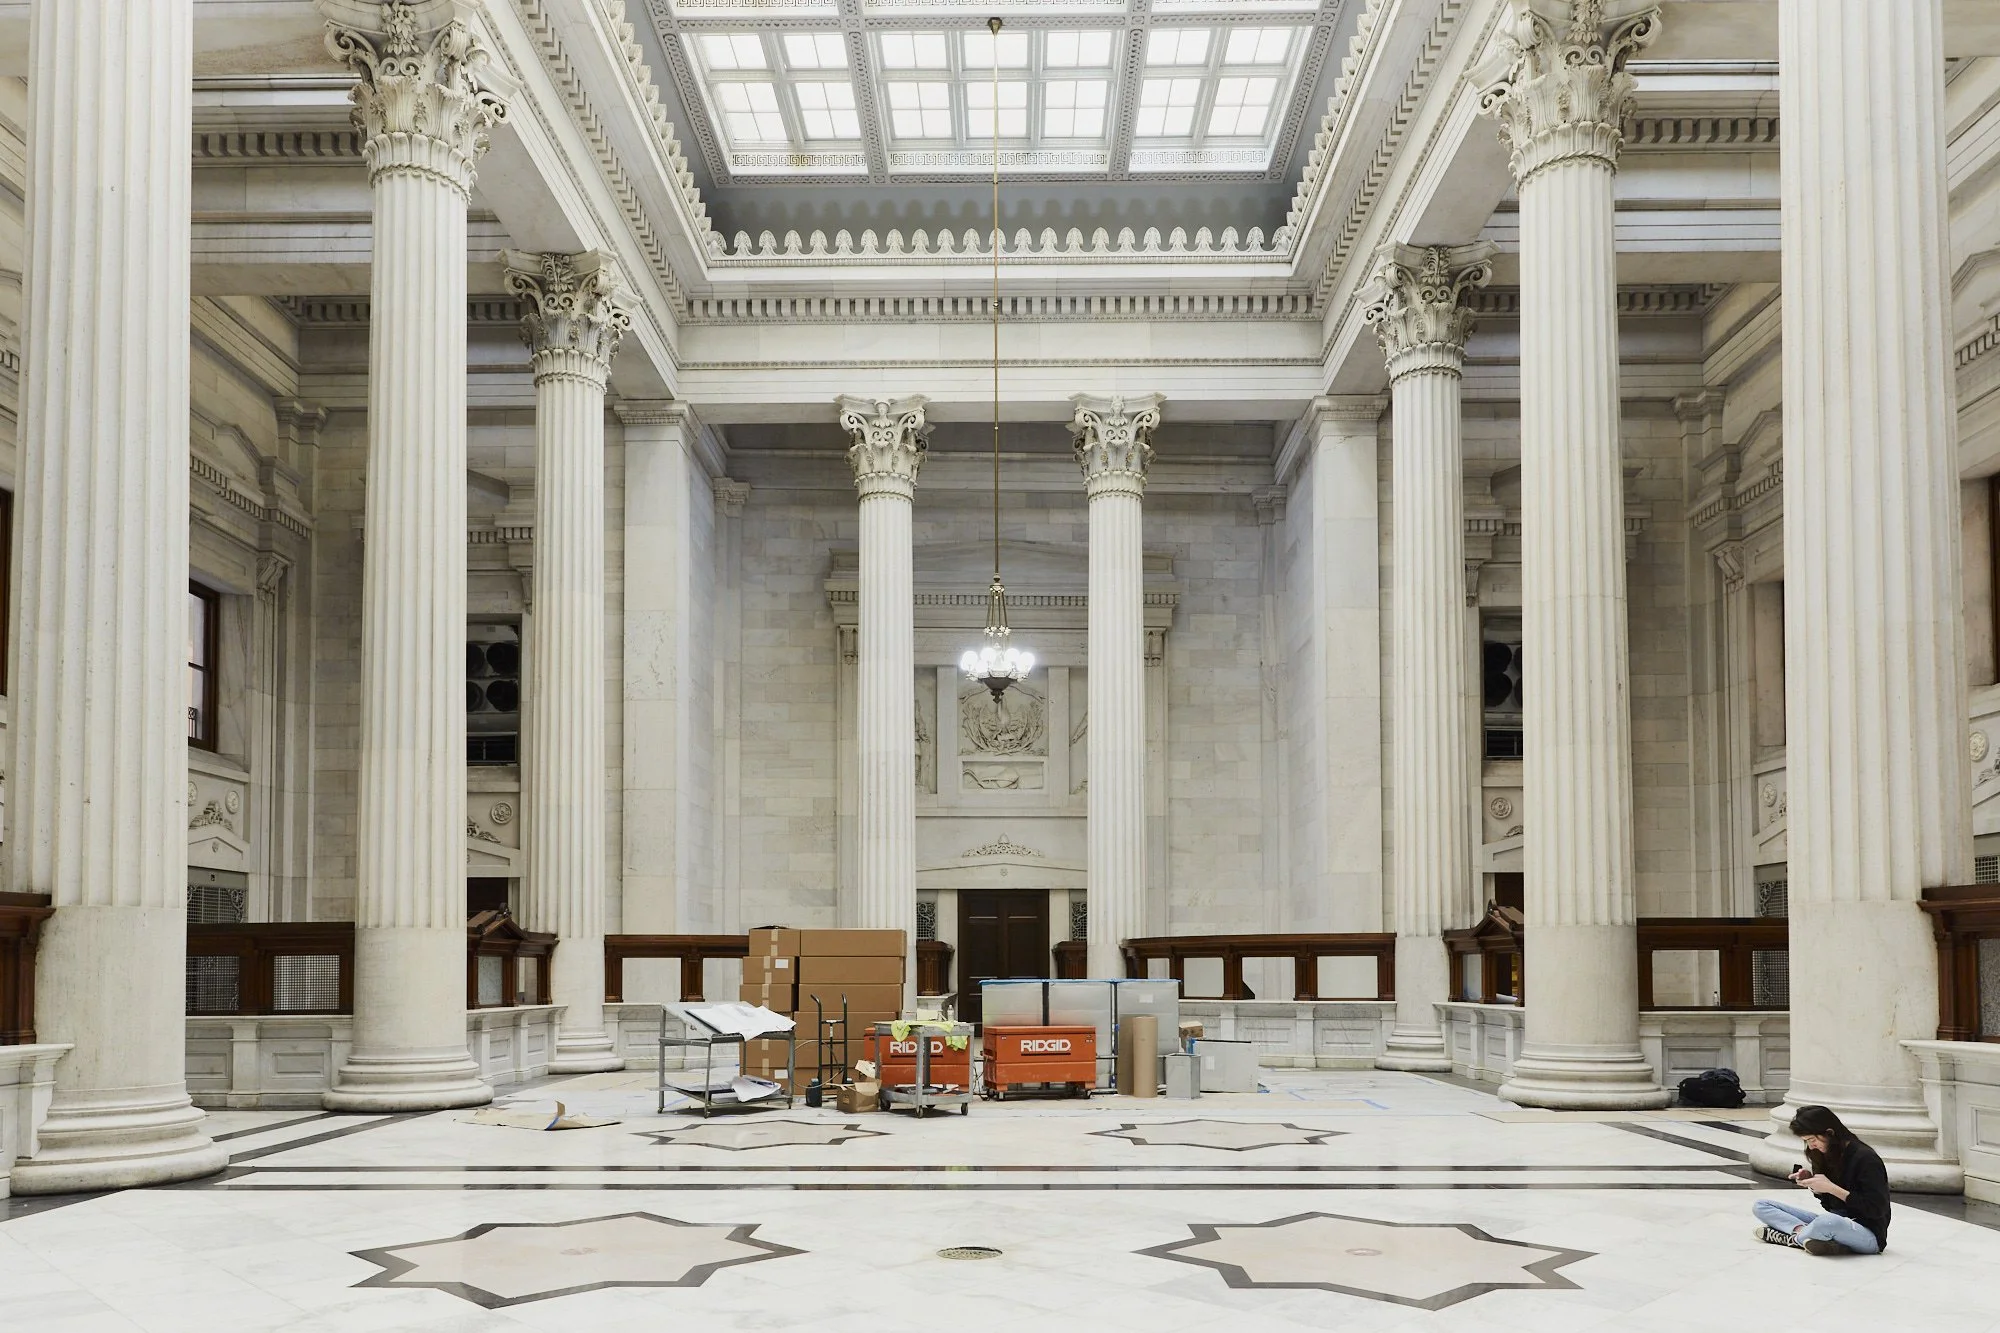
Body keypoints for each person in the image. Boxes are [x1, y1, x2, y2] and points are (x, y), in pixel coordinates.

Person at [1751, 1105, 1891, 1255]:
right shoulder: (1823, 1154)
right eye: (1806, 1141)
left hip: (1867, 1233)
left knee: (1827, 1222)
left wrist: (1832, 1188)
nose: (1811, 1146)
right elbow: (1829, 1206)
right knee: (1761, 1205)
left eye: (1812, 1139)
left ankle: (1791, 1238)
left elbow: (1876, 1209)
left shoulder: (1866, 1159)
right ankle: (1813, 1237)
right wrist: (1815, 1185)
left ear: (1829, 1133)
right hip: (1835, 1221)